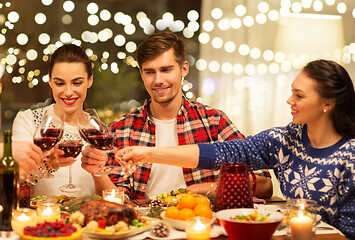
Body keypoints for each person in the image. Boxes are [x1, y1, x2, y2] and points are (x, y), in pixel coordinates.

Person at [116, 59, 355, 238]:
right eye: (292, 91)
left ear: (328, 104)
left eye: (299, 95)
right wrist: (147, 154)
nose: (289, 100)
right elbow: (216, 153)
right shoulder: (283, 140)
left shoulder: (350, 157)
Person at [81, 31, 273, 199]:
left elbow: (264, 185)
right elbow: (116, 200)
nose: (158, 80)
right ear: (141, 74)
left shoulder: (213, 122)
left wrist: (203, 190)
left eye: (166, 70)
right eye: (150, 72)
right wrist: (98, 173)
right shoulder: (122, 129)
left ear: (184, 69)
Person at [12, 43, 96, 197]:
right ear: (50, 81)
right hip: (43, 218)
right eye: (60, 83)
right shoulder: (28, 121)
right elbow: (17, 182)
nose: (69, 92)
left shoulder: (97, 130)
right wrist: (47, 166)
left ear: (90, 81)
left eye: (77, 83)